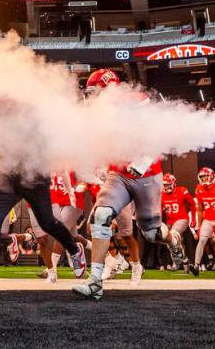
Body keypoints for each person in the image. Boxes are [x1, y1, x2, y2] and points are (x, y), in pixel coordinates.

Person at [0, 95, 87, 294]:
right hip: (9, 177)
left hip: (34, 177)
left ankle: (74, 248)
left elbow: (44, 148)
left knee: (47, 223)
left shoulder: (29, 115)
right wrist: (2, 163)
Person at [73, 69, 174, 300]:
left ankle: (173, 240)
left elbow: (162, 133)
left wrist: (144, 159)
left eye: (96, 91)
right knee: (100, 216)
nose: (93, 97)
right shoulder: (98, 115)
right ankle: (95, 282)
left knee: (151, 234)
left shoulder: (136, 103)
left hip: (147, 174)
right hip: (118, 174)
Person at [26, 171, 88, 283]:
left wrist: (78, 187)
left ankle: (54, 267)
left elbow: (85, 179)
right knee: (71, 236)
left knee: (60, 232)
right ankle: (105, 256)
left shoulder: (72, 163)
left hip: (70, 202)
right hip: (53, 202)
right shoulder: (41, 165)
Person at [161, 173, 195, 269]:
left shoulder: (182, 190)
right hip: (169, 221)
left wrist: (193, 219)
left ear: (173, 183)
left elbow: (192, 204)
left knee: (173, 235)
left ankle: (185, 262)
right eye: (164, 185)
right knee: (170, 243)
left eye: (167, 184)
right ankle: (180, 261)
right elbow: (159, 209)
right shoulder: (162, 194)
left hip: (181, 219)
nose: (166, 187)